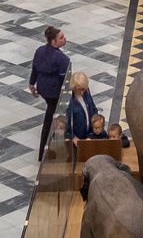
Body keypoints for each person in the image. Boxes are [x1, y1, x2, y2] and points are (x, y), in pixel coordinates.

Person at [29, 26, 70, 158]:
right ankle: (45, 152)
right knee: (50, 120)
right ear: (53, 41)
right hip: (54, 94)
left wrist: (31, 83)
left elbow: (35, 69)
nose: (65, 39)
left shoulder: (39, 51)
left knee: (51, 116)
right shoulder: (63, 59)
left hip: (42, 89)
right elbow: (64, 80)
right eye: (61, 38)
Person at [65, 72, 96, 145]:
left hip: (90, 135)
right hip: (79, 139)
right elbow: (67, 124)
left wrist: (92, 133)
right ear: (74, 87)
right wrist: (73, 137)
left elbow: (94, 109)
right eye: (79, 89)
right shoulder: (71, 102)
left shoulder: (87, 92)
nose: (82, 92)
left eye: (83, 89)